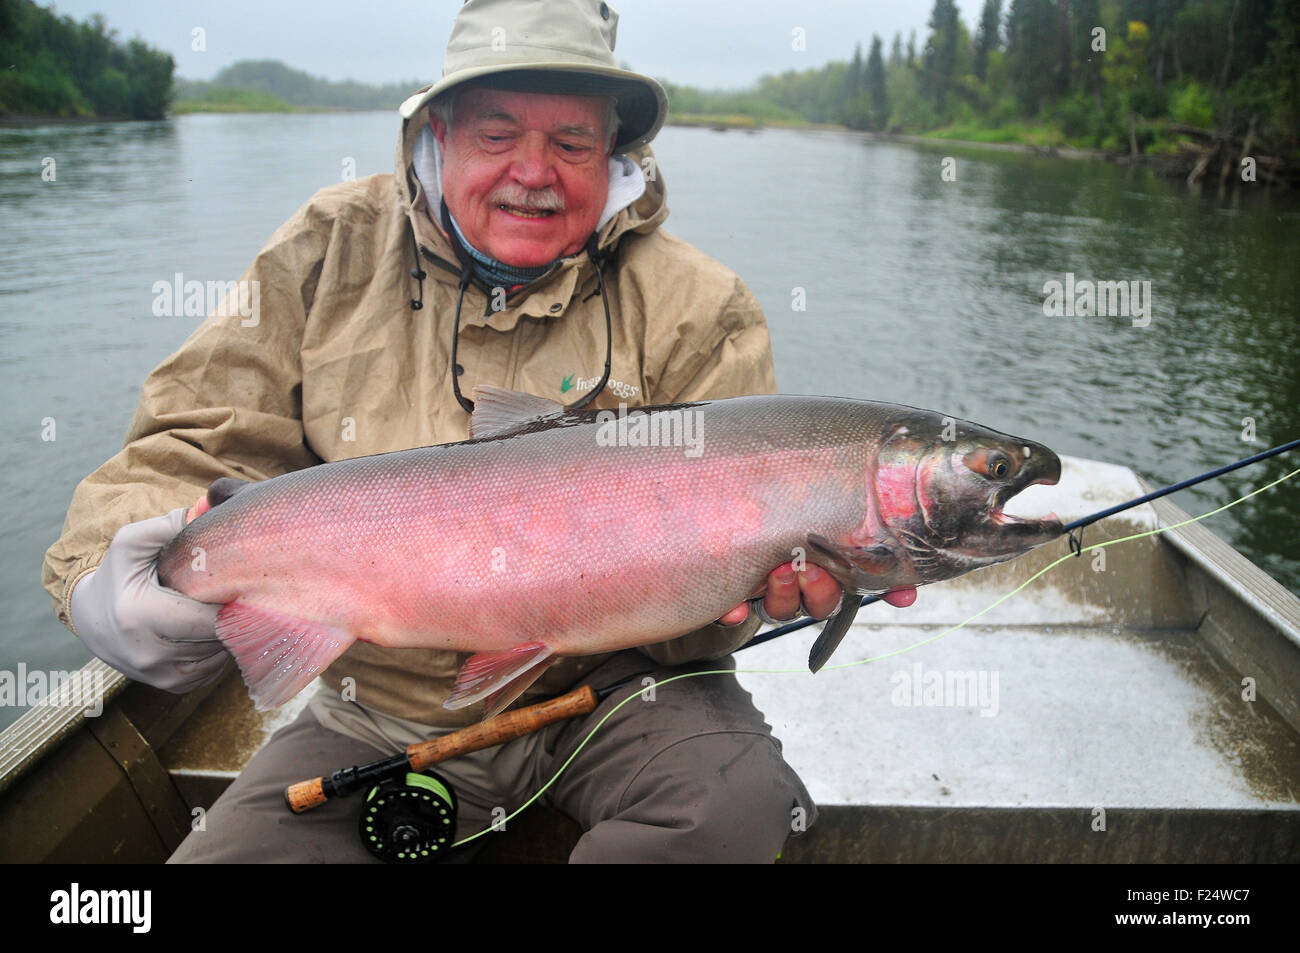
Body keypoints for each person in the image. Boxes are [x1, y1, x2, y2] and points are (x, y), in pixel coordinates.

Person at [43, 0, 915, 863]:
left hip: (618, 688)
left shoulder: (700, 306)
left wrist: (752, 595)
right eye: (498, 135)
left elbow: (707, 622)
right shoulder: (327, 250)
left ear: (614, 154)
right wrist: (100, 576)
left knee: (736, 806)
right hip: (372, 704)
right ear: (438, 132)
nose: (533, 172)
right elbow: (184, 442)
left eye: (572, 143)